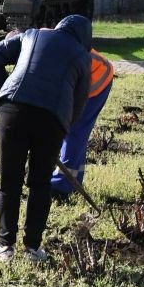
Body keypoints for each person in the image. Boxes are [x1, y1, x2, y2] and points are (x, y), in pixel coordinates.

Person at [0, 15, 92, 263]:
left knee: (9, 179)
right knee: (40, 184)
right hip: (52, 121)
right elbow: (79, 103)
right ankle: (33, 249)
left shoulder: (32, 34)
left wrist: (2, 97)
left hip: (13, 112)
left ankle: (4, 246)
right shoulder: (83, 57)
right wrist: (63, 127)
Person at [50, 48, 114, 197]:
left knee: (74, 130)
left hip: (98, 77)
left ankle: (60, 186)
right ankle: (74, 181)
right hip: (81, 75)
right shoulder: (36, 45)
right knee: (73, 130)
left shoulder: (42, 53)